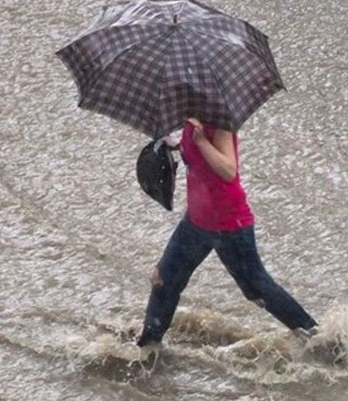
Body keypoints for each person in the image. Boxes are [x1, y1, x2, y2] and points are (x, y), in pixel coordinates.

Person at [136, 117, 318, 348]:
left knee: (255, 288)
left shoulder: (219, 122)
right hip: (196, 221)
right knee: (163, 279)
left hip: (229, 223)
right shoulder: (191, 121)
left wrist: (201, 142)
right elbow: (192, 151)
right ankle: (148, 348)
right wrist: (174, 142)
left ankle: (315, 337)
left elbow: (228, 170)